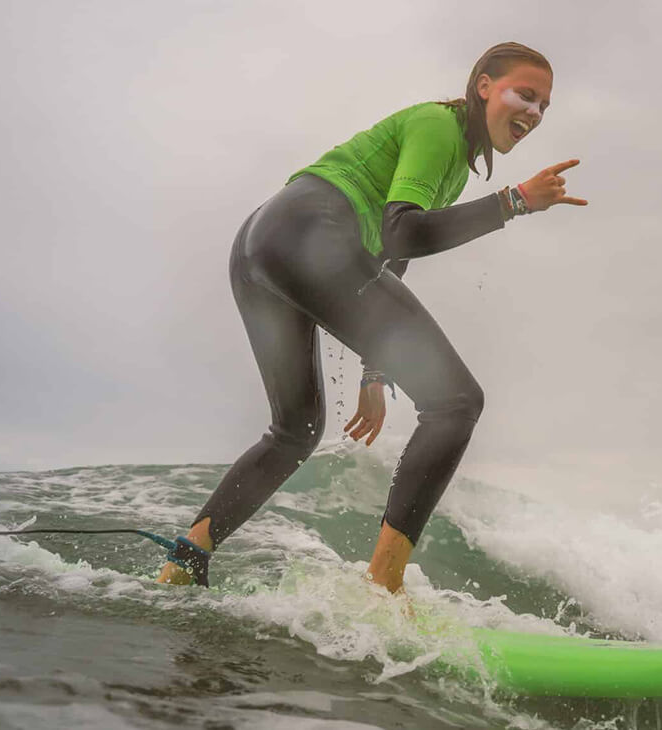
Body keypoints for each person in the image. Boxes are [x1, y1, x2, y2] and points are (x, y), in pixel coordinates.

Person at [157, 41, 586, 592]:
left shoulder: (451, 160)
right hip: (310, 233)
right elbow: (403, 230)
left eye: (545, 106)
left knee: (295, 429)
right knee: (456, 402)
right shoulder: (439, 127)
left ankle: (184, 562)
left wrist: (375, 374)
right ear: (484, 87)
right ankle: (383, 584)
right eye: (525, 94)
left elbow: (391, 258)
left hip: (262, 244)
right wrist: (515, 201)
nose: (535, 112)